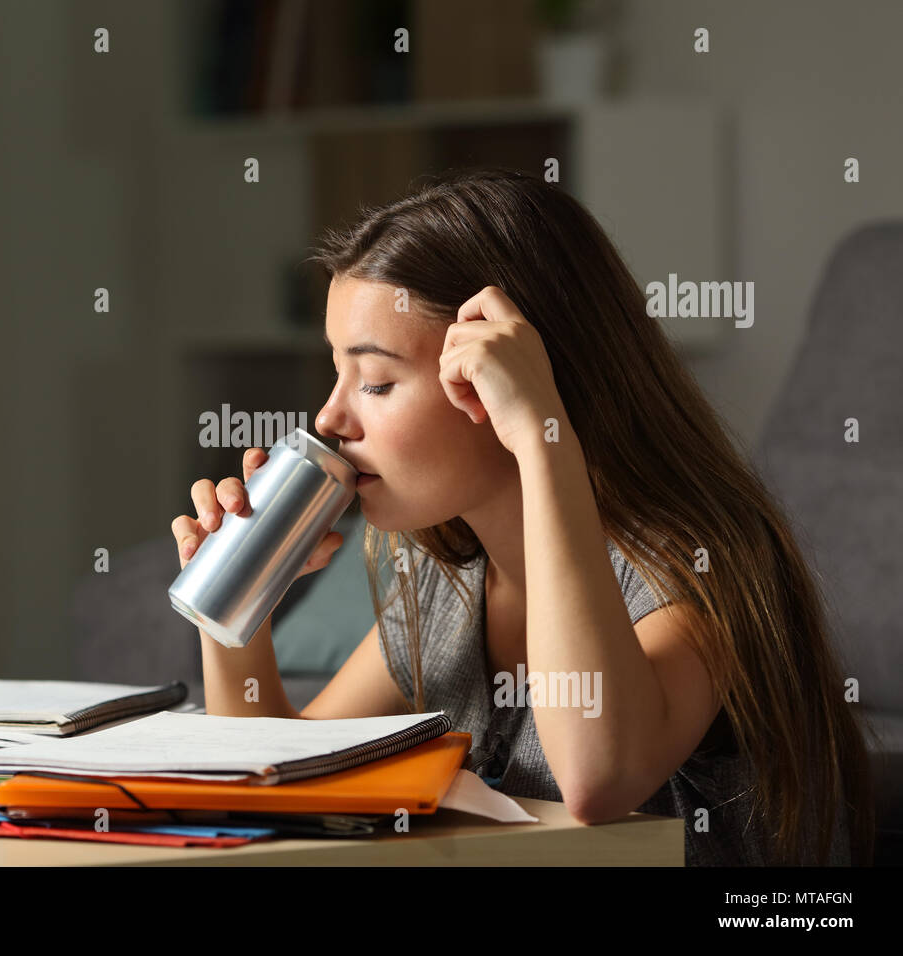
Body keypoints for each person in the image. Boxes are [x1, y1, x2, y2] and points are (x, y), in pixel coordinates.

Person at [169, 167, 876, 866]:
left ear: (508, 380)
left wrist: (544, 436)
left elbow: (599, 779)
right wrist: (241, 604)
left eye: (376, 380)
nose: (329, 416)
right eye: (337, 371)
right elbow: (274, 777)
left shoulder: (699, 569)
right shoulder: (443, 585)